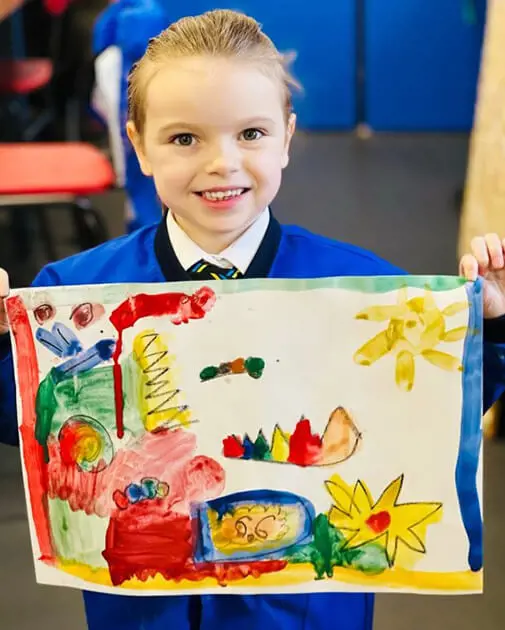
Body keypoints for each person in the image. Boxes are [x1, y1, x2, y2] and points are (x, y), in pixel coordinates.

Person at [1, 9, 505, 630]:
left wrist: (489, 327)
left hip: (303, 612)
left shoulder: (364, 291)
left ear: (287, 138)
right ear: (138, 144)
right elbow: (28, 433)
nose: (223, 163)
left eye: (251, 134)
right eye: (185, 139)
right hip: (146, 606)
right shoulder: (76, 293)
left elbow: (428, 415)